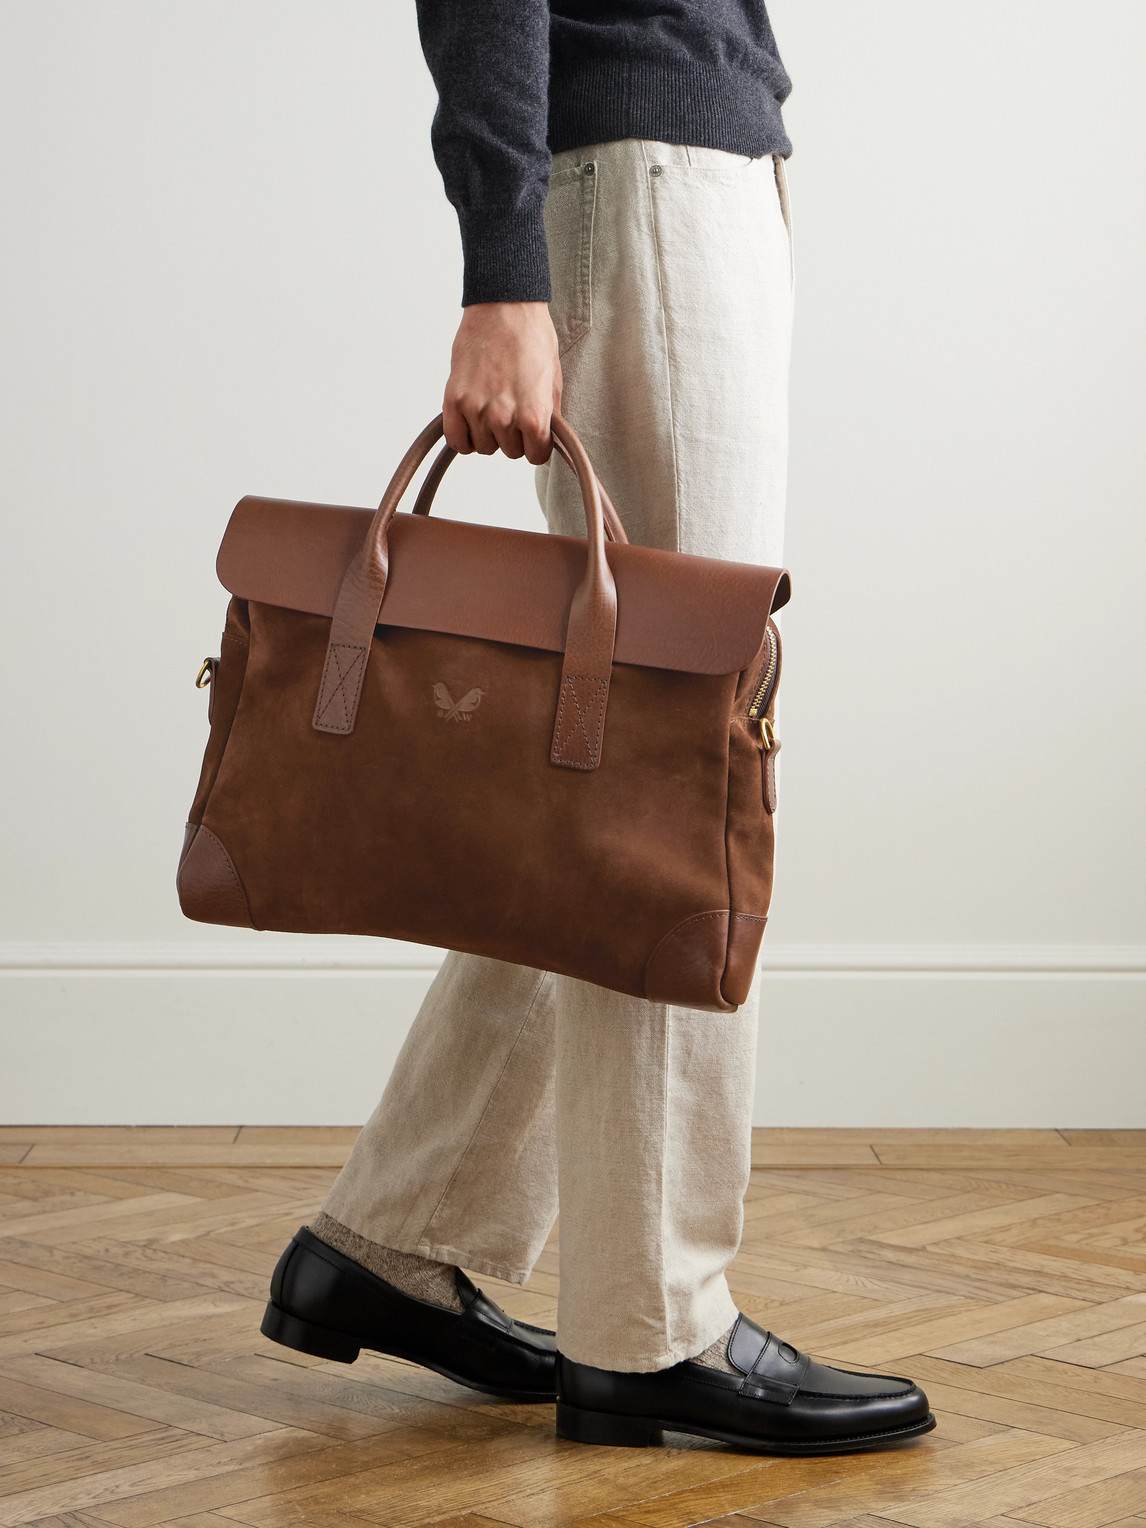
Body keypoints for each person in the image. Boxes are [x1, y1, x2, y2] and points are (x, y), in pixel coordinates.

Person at [262, 1, 934, 1453]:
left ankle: (393, 1234)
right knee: (670, 769)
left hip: (692, 164)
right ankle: (656, 1326)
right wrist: (501, 268)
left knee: (622, 761)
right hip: (639, 174)